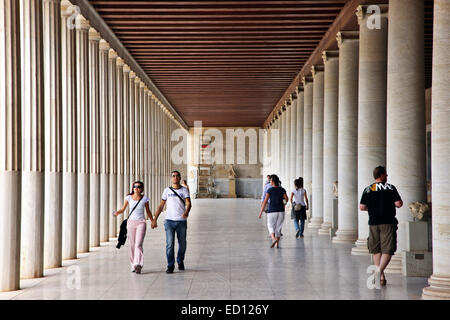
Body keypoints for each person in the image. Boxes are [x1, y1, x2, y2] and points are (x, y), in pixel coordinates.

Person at [360, 166, 403, 287]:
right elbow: (398, 204)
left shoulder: (368, 189)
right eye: (386, 175)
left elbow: (362, 207)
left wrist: (373, 209)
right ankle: (378, 272)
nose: (387, 177)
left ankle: (381, 277)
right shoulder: (390, 187)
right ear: (382, 175)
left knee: (376, 249)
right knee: (388, 249)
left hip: (373, 222)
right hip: (388, 222)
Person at [152, 170, 192, 273]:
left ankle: (180, 261)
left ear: (179, 178)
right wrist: (154, 219)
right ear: (171, 178)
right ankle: (170, 265)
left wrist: (187, 211)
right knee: (169, 244)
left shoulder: (184, 190)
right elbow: (161, 205)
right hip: (169, 221)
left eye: (177, 176)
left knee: (182, 244)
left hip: (181, 221)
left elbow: (188, 203)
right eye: (173, 176)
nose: (175, 178)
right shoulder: (167, 191)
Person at [114, 181, 153, 274]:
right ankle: (132, 264)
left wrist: (153, 221)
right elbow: (123, 209)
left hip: (141, 223)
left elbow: (148, 211)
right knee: (132, 244)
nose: (136, 188)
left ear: (142, 188)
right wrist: (116, 212)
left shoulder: (145, 199)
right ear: (132, 188)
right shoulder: (128, 198)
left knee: (138, 244)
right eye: (135, 186)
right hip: (131, 223)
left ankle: (138, 263)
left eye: (139, 187)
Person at [258, 175, 288, 248]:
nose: (270, 182)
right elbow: (286, 199)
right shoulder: (282, 189)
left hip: (272, 210)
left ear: (273, 181)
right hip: (281, 210)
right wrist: (282, 201)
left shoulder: (270, 190)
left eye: (270, 180)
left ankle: (273, 239)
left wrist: (261, 211)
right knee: (278, 227)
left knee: (270, 225)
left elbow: (265, 201)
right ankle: (277, 244)